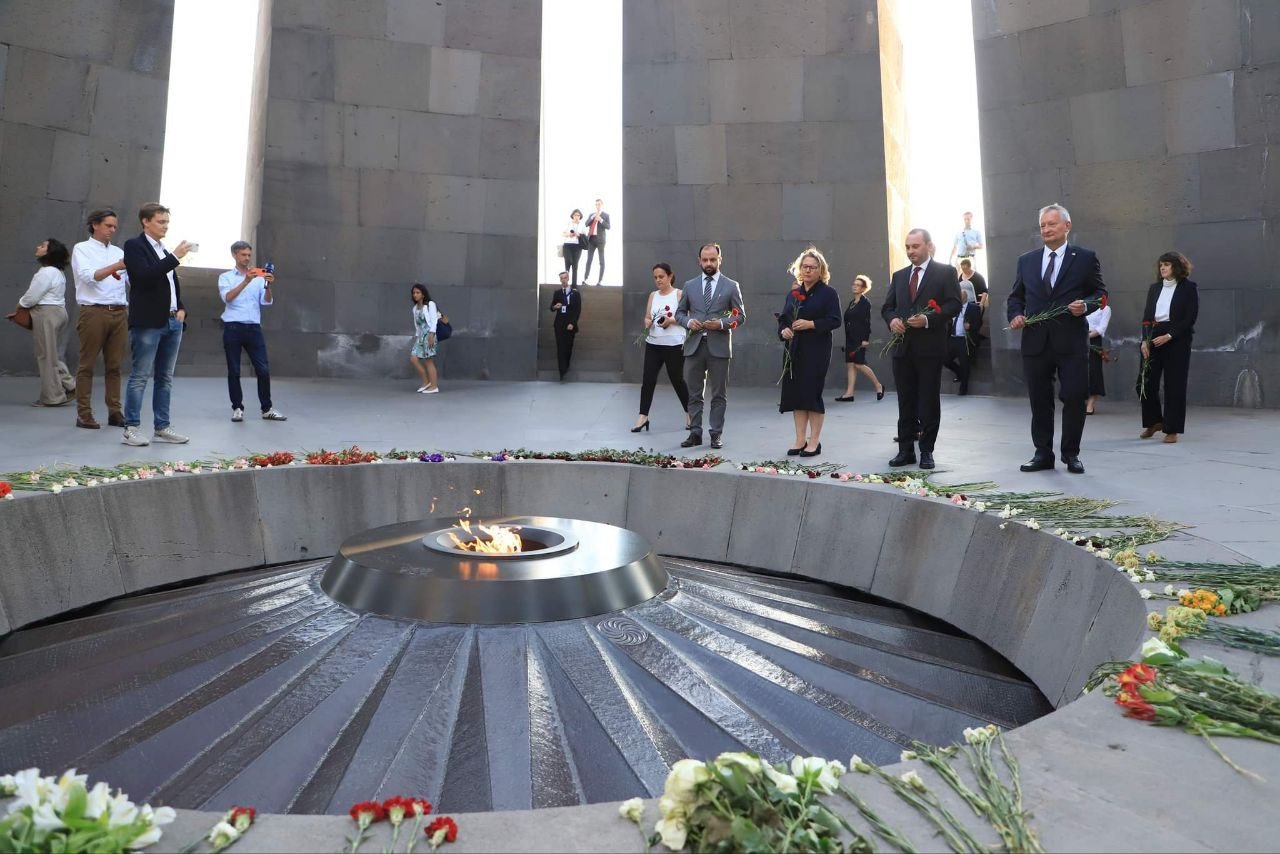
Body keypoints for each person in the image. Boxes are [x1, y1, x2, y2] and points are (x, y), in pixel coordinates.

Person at [1007, 203, 1108, 474]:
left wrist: (1086, 305)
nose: (1047, 229)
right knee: (1039, 400)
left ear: (1067, 226)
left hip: (1071, 342)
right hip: (1036, 343)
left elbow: (1100, 294)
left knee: (1074, 397)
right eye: (1043, 225)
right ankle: (1042, 453)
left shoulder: (1084, 258)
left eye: (1052, 224)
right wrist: (1015, 315)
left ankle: (1071, 454)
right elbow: (1016, 296)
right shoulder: (1026, 260)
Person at [881, 228, 961, 470]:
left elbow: (954, 305)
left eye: (915, 246)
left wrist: (928, 320)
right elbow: (887, 307)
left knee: (928, 401)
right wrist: (892, 320)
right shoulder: (899, 275)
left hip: (929, 349)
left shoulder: (945, 273)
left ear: (928, 246)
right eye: (907, 247)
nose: (910, 251)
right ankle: (905, 450)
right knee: (905, 401)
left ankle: (927, 451)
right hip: (902, 349)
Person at [121, 202, 193, 446]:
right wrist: (175, 257)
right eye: (161, 222)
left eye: (167, 222)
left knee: (165, 378)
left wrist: (181, 307)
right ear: (145, 221)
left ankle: (162, 427)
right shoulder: (134, 246)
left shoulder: (163, 249)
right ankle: (131, 428)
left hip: (173, 321)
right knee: (140, 376)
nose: (165, 226)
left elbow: (171, 284)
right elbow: (143, 277)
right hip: (148, 322)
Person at [676, 243, 746, 450]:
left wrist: (722, 324)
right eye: (705, 260)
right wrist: (688, 322)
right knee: (694, 393)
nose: (708, 263)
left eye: (712, 260)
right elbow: (679, 314)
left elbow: (740, 317)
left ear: (719, 260)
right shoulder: (689, 285)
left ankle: (716, 434)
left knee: (718, 394)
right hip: (694, 346)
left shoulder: (731, 285)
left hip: (719, 346)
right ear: (699, 261)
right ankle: (694, 433)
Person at [777, 247, 841, 457]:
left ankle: (814, 442)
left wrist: (811, 324)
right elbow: (784, 319)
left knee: (812, 394)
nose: (808, 271)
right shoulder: (794, 293)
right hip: (794, 350)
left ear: (820, 270)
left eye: (813, 267)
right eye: (805, 267)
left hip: (816, 350)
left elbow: (835, 320)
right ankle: (799, 440)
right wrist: (783, 330)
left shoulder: (828, 293)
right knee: (797, 394)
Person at [71, 209, 129, 429]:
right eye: (108, 226)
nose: (112, 230)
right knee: (87, 364)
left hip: (119, 311)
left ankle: (115, 411)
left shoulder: (118, 251)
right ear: (95, 225)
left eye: (114, 226)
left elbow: (130, 280)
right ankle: (83, 414)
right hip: (93, 311)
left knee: (114, 366)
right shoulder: (82, 249)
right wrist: (116, 266)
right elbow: (88, 277)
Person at [218, 242, 287, 420]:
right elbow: (228, 298)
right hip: (233, 327)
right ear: (234, 255)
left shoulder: (258, 277)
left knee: (263, 369)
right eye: (243, 255)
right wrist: (246, 281)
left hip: (253, 328)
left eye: (249, 255)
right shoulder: (225, 277)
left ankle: (267, 408)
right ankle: (237, 408)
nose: (247, 258)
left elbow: (266, 302)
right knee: (234, 370)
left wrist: (267, 284)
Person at [1138, 252, 1199, 443]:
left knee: (1174, 385)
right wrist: (1144, 340)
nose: (1162, 268)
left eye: (1166, 265)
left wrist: (1169, 335)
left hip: (1177, 339)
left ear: (1177, 267)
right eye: (1160, 265)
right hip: (1154, 335)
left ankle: (1172, 429)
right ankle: (1154, 421)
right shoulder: (1154, 288)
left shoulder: (1188, 288)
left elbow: (1189, 318)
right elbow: (1147, 317)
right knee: (1144, 383)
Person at [15, 239, 76, 407]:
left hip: (46, 314)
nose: (38, 246)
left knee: (45, 356)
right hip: (58, 313)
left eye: (42, 246)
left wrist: (20, 305)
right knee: (50, 354)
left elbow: (32, 296)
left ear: (50, 252)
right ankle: (70, 385)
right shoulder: (57, 272)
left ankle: (53, 397)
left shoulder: (46, 272)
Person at [633, 263, 689, 432]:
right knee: (648, 380)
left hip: (674, 345)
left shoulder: (679, 294)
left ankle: (690, 414)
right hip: (654, 343)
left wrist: (670, 321)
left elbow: (686, 318)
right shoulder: (653, 295)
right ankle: (643, 416)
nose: (658, 280)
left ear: (670, 276)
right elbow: (648, 317)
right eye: (655, 277)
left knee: (677, 380)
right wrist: (648, 322)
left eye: (661, 276)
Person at [835, 275, 884, 403]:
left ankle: (878, 385)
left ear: (863, 289)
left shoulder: (864, 303)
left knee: (858, 363)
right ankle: (849, 393)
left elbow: (866, 322)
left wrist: (865, 339)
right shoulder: (852, 303)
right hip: (850, 338)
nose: (854, 286)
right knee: (850, 365)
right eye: (854, 284)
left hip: (859, 338)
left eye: (858, 285)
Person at [943, 288, 983, 396]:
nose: (958, 299)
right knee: (944, 359)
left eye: (961, 297)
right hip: (952, 338)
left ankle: (963, 389)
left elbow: (979, 323)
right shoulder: (953, 308)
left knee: (965, 363)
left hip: (964, 339)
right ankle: (959, 373)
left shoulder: (973, 308)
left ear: (965, 297)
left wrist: (970, 326)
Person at [409, 283, 441, 394]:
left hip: (429, 335)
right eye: (413, 293)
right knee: (413, 359)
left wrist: (432, 335)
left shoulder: (430, 304)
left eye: (417, 292)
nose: (415, 295)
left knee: (429, 361)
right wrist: (417, 337)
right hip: (420, 337)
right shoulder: (415, 308)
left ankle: (434, 386)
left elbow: (434, 320)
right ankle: (426, 382)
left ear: (423, 294)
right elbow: (417, 325)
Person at [549, 270, 581, 380]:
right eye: (561, 278)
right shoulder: (557, 293)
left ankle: (566, 366)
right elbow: (551, 307)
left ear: (568, 279)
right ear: (560, 280)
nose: (563, 280)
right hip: (559, 324)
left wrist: (572, 323)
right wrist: (555, 307)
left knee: (568, 347)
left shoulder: (575, 293)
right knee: (560, 347)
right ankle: (561, 371)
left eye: (565, 278)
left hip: (570, 324)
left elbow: (577, 310)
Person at [1085, 292, 1112, 415]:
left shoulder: (1105, 309)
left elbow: (1101, 328)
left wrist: (1086, 337)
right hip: (1079, 339)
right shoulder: (1084, 306)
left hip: (1093, 339)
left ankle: (1090, 403)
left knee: (1093, 371)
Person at [582, 198, 611, 286]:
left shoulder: (606, 215)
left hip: (600, 240)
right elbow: (586, 224)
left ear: (602, 205)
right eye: (596, 204)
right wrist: (592, 218)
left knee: (601, 260)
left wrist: (600, 220)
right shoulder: (592, 214)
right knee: (589, 260)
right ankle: (585, 279)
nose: (597, 206)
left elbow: (608, 226)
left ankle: (600, 280)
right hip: (591, 239)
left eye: (599, 204)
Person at [562, 209, 586, 286]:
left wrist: (578, 234)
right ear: (572, 216)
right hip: (567, 245)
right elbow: (563, 233)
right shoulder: (568, 223)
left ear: (580, 217)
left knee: (575, 266)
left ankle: (574, 285)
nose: (576, 217)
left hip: (577, 247)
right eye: (575, 215)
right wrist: (569, 234)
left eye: (578, 215)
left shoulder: (582, 225)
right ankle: (565, 282)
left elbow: (585, 236)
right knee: (568, 262)